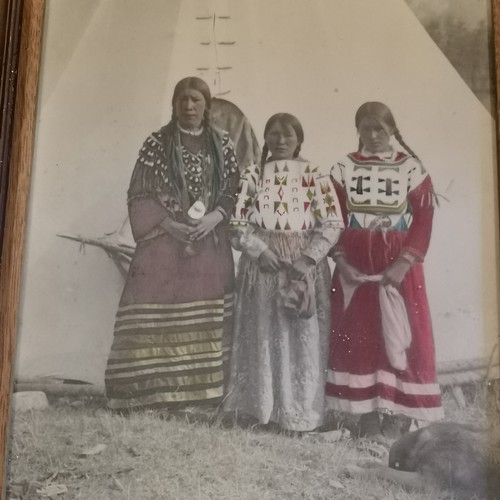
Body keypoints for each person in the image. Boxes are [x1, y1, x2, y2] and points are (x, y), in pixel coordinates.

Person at [105, 77, 239, 411]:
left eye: (195, 100)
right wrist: (170, 226)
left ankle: (200, 397)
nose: (189, 106)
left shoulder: (221, 144)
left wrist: (214, 218)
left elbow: (234, 189)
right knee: (154, 310)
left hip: (208, 243)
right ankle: (145, 395)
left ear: (207, 105)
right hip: (163, 246)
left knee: (205, 314)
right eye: (182, 100)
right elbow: (139, 192)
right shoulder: (156, 143)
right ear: (174, 104)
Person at [325, 102, 444, 439]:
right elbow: (332, 218)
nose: (374, 135)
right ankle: (367, 419)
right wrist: (342, 261)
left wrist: (404, 262)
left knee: (406, 340)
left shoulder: (412, 169)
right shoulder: (343, 168)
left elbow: (423, 219)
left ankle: (400, 416)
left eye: (380, 128)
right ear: (358, 130)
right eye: (366, 128)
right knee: (361, 340)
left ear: (393, 129)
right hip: (357, 273)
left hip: (398, 274)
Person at [225, 113, 344, 432]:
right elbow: (236, 224)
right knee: (262, 332)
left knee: (300, 336)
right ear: (265, 139)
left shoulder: (315, 175)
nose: (280, 141)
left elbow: (332, 223)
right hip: (262, 267)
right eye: (273, 134)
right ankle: (261, 410)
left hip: (302, 268)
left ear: (299, 140)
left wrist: (309, 258)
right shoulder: (253, 174)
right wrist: (258, 250)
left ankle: (299, 415)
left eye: (287, 135)